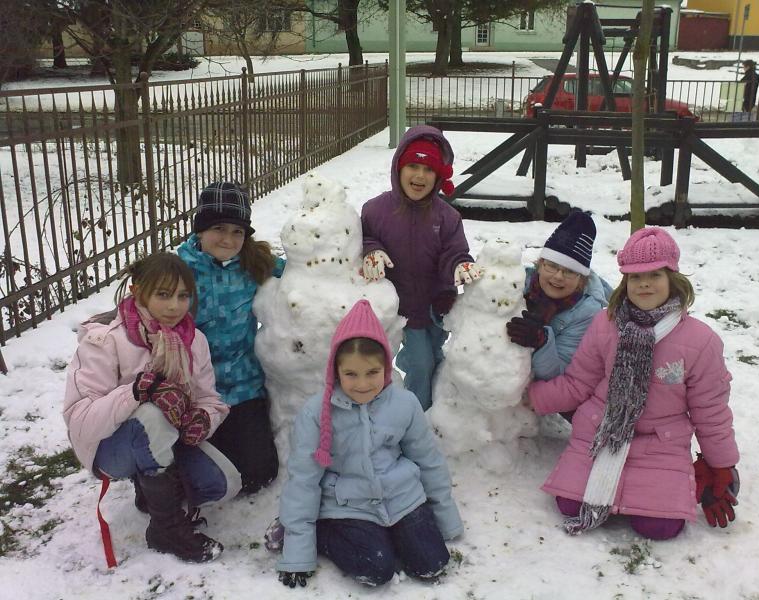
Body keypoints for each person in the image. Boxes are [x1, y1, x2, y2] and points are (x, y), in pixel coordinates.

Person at [527, 228, 740, 540]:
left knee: (659, 528)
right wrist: (528, 398)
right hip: (601, 434)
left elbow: (710, 411)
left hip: (660, 443)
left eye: (654, 275)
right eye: (635, 277)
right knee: (569, 506)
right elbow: (578, 382)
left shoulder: (700, 340)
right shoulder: (605, 323)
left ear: (672, 279)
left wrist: (721, 464)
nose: (644, 284)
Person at [63, 253, 241, 563]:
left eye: (183, 296)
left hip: (166, 436)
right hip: (109, 448)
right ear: (137, 291)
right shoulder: (105, 340)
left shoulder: (193, 339)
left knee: (222, 483)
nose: (175, 306)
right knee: (151, 414)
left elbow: (209, 400)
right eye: (163, 294)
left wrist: (203, 418)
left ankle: (150, 491)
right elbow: (79, 420)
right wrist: (137, 391)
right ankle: (166, 529)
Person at [275, 299, 463, 588]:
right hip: (348, 505)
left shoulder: (404, 403)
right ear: (335, 371)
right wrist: (298, 549)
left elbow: (428, 461)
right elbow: (304, 480)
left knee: (432, 563)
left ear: (385, 367)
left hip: (401, 498)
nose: (362, 384)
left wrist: (446, 519)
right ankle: (322, 533)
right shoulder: (317, 413)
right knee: (376, 569)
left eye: (372, 372)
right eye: (351, 374)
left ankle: (391, 536)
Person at [361, 125, 481, 411]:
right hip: (402, 308)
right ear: (398, 168)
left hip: (438, 306)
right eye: (413, 166)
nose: (420, 176)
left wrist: (460, 264)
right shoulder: (375, 211)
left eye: (428, 169)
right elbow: (363, 238)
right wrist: (371, 250)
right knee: (421, 363)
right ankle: (417, 414)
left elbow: (454, 251)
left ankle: (442, 413)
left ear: (439, 176)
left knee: (439, 359)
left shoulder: (447, 217)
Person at [178, 182, 284, 495]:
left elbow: (303, 276)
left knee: (258, 473)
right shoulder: (179, 271)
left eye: (237, 231)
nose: (228, 239)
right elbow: (146, 305)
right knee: (194, 471)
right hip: (195, 390)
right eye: (219, 228)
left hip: (243, 387)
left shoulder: (254, 264)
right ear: (200, 229)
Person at [506, 210, 611, 385]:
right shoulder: (519, 282)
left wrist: (541, 341)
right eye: (552, 266)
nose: (558, 276)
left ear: (581, 278)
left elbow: (559, 373)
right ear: (540, 265)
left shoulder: (587, 312)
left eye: (570, 271)